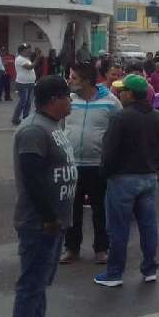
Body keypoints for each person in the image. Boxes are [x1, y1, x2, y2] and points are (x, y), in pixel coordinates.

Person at [11, 76, 77, 317]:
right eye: (67, 96)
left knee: (39, 284)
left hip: (54, 222)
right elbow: (32, 177)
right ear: (54, 100)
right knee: (31, 285)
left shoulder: (52, 125)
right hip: (39, 224)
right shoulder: (34, 131)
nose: (70, 100)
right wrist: (48, 217)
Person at [94, 74, 159, 287]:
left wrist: (105, 173)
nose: (118, 93)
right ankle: (149, 269)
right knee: (148, 226)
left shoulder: (121, 117)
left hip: (123, 178)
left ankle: (115, 273)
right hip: (149, 177)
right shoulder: (158, 117)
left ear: (130, 94)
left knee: (118, 229)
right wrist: (154, 167)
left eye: (121, 90)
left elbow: (109, 151)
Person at [59, 62, 122, 265]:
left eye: (74, 77)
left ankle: (101, 249)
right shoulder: (69, 100)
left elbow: (119, 132)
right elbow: (60, 127)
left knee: (99, 209)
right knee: (72, 209)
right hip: (72, 165)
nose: (70, 81)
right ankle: (71, 248)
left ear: (86, 80)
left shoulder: (111, 102)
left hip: (98, 165)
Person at [12, 43, 37, 125]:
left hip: (29, 83)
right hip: (23, 84)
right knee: (23, 102)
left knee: (28, 102)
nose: (29, 50)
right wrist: (38, 59)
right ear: (22, 51)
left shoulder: (26, 58)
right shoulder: (19, 59)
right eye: (27, 49)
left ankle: (25, 118)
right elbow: (30, 67)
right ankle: (15, 119)